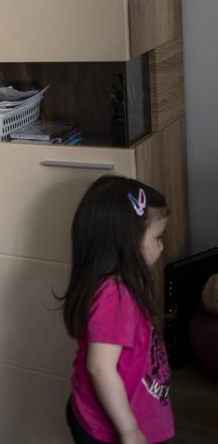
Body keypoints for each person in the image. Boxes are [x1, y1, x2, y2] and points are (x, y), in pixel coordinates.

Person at [60, 176, 174, 444]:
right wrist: (130, 431)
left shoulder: (117, 285)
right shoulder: (115, 296)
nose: (162, 245)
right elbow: (101, 368)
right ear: (128, 242)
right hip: (108, 427)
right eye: (158, 237)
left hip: (128, 405)